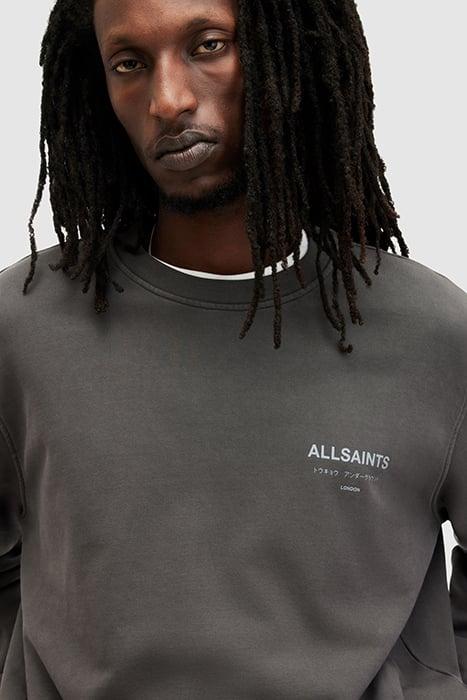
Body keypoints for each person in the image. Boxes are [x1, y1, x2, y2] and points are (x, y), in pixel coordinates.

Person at [0, 0, 466, 697]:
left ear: (295, 54)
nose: (168, 99)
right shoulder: (21, 327)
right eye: (128, 63)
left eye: (209, 45)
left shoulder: (433, 333)